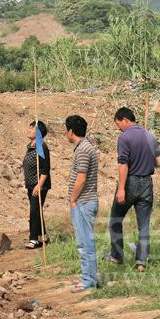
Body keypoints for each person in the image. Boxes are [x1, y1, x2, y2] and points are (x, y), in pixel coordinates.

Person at [108, 107, 160, 272]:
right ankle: (141, 262)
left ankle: (117, 256)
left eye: (119, 124)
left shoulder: (125, 137)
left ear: (125, 120)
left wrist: (122, 189)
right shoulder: (150, 136)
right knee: (143, 225)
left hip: (130, 182)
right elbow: (159, 163)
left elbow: (123, 164)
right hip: (147, 183)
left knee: (115, 220)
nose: (119, 128)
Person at [65, 114, 99, 292]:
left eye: (66, 131)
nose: (66, 134)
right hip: (84, 202)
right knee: (86, 242)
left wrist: (72, 199)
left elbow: (81, 179)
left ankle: (88, 280)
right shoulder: (83, 148)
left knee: (84, 243)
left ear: (71, 131)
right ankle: (91, 277)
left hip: (83, 202)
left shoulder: (84, 150)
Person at [23, 120, 51, 249]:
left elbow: (45, 169)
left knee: (34, 211)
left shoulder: (41, 146)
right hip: (31, 184)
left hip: (39, 184)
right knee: (37, 210)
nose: (29, 130)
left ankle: (33, 239)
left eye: (32, 128)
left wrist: (39, 185)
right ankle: (42, 237)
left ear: (38, 132)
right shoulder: (31, 145)